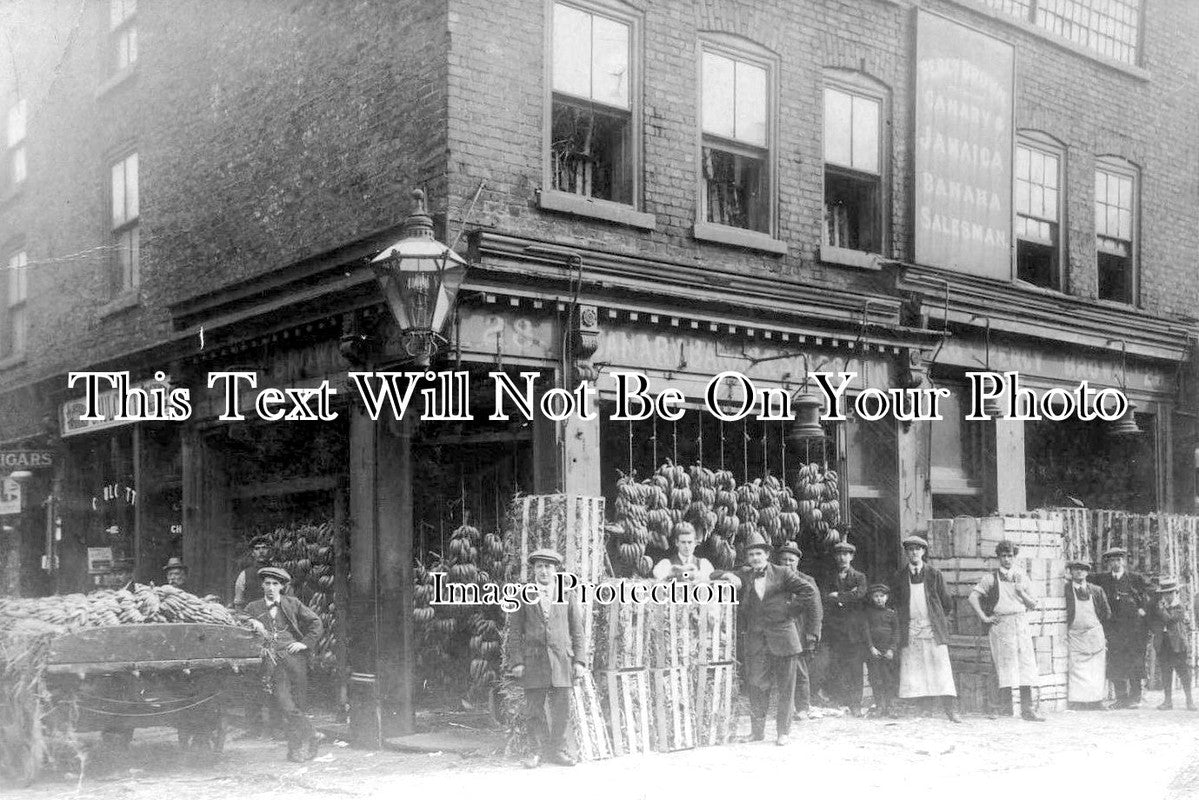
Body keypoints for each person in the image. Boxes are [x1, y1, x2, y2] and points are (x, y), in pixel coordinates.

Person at [735, 532, 821, 746]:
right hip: (757, 639)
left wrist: (790, 610)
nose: (755, 558)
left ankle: (783, 732)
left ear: (767, 554)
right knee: (756, 685)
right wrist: (728, 577)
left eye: (759, 553)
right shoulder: (746, 575)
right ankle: (757, 732)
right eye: (751, 554)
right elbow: (718, 573)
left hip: (783, 638)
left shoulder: (782, 573)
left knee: (786, 687)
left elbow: (809, 592)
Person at [508, 548, 587, 769]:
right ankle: (536, 751)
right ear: (533, 569)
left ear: (556, 570)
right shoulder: (522, 595)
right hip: (533, 660)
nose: (544, 571)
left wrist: (579, 661)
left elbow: (577, 630)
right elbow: (514, 632)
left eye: (548, 567)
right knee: (534, 708)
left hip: (561, 660)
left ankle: (557, 751)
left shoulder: (567, 595)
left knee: (562, 708)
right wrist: (517, 661)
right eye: (540, 566)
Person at [244, 567, 323, 762]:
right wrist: (251, 623)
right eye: (267, 583)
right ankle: (312, 734)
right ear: (262, 585)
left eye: (275, 584)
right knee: (284, 703)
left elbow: (316, 622)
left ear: (282, 586)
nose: (271, 588)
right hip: (272, 662)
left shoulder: (293, 603)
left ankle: (295, 750)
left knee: (297, 704)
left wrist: (304, 643)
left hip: (295, 660)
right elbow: (239, 620)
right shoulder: (253, 607)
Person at [967, 540, 1044, 722]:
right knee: (1003, 665)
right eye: (1004, 556)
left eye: (1010, 556)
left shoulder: (1022, 577)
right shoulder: (991, 578)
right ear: (999, 557)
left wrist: (1021, 592)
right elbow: (973, 597)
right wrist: (985, 618)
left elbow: (1033, 604)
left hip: (1021, 623)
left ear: (1014, 557)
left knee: (1026, 665)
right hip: (1002, 625)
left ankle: (1027, 709)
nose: (1007, 559)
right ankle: (1003, 708)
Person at [890, 534, 960, 723]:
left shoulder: (934, 574)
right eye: (910, 549)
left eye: (917, 549)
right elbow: (897, 603)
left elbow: (946, 603)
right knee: (916, 668)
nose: (914, 552)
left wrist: (937, 621)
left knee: (941, 668)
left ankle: (951, 709)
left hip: (932, 629)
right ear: (906, 553)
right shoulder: (899, 576)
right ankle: (923, 708)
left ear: (923, 552)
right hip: (911, 628)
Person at [1091, 546, 1151, 708]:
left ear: (1123, 561)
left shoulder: (1135, 578)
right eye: (1112, 560)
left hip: (1134, 629)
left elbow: (1150, 593)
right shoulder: (1102, 579)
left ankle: (1135, 697)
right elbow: (1084, 580)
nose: (1115, 563)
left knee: (1135, 660)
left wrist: (1143, 609)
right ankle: (1121, 698)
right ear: (1108, 563)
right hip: (1113, 628)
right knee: (1116, 661)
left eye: (1118, 560)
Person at [774, 542, 822, 720]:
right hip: (780, 630)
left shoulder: (807, 581)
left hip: (800, 630)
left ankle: (803, 707)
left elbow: (816, 609)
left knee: (799, 669)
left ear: (797, 562)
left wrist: (812, 633)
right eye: (784, 560)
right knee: (784, 670)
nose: (787, 564)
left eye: (791, 560)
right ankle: (789, 707)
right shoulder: (776, 578)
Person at [821, 540, 867, 714]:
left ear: (852, 557)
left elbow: (860, 595)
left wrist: (838, 596)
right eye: (839, 554)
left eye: (846, 554)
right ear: (835, 557)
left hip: (854, 629)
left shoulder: (859, 577)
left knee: (855, 666)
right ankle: (841, 700)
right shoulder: (829, 576)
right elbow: (825, 596)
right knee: (837, 664)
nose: (842, 558)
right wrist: (849, 595)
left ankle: (856, 703)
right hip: (835, 628)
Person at [1064, 560, 1110, 710]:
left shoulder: (1097, 590)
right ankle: (1078, 702)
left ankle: (1097, 701)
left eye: (1083, 570)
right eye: (1076, 569)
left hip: (1094, 633)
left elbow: (1106, 613)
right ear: (1070, 572)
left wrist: (1095, 628)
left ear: (1087, 572)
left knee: (1096, 668)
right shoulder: (1066, 590)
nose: (1079, 572)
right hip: (1076, 635)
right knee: (1077, 667)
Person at [1147, 578, 1195, 711]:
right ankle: (1167, 701)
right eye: (1165, 593)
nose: (1167, 596)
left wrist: (1161, 609)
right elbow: (1151, 619)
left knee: (1183, 672)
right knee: (1165, 672)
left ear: (1176, 592)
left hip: (1178, 644)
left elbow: (1169, 619)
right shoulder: (1159, 606)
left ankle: (1189, 701)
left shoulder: (1179, 606)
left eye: (1170, 593)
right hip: (1163, 643)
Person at [652, 522, 739, 587]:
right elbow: (659, 580)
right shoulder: (666, 564)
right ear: (677, 543)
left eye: (690, 542)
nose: (687, 546)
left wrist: (727, 575)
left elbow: (712, 575)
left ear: (695, 543)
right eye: (683, 542)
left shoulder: (703, 564)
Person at [860, 583, 898, 718]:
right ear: (871, 598)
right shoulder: (867, 613)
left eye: (882, 596)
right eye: (876, 596)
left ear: (886, 597)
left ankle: (890, 707)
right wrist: (871, 647)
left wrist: (892, 649)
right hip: (874, 652)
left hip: (888, 652)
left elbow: (896, 633)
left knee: (889, 679)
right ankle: (880, 706)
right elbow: (866, 632)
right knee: (876, 679)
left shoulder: (891, 613)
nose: (879, 599)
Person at [234, 535, 275, 610]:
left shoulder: (280, 574)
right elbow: (238, 603)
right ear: (252, 553)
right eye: (257, 548)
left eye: (264, 548)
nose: (261, 551)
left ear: (270, 551)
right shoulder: (244, 575)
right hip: (252, 618)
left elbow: (289, 602)